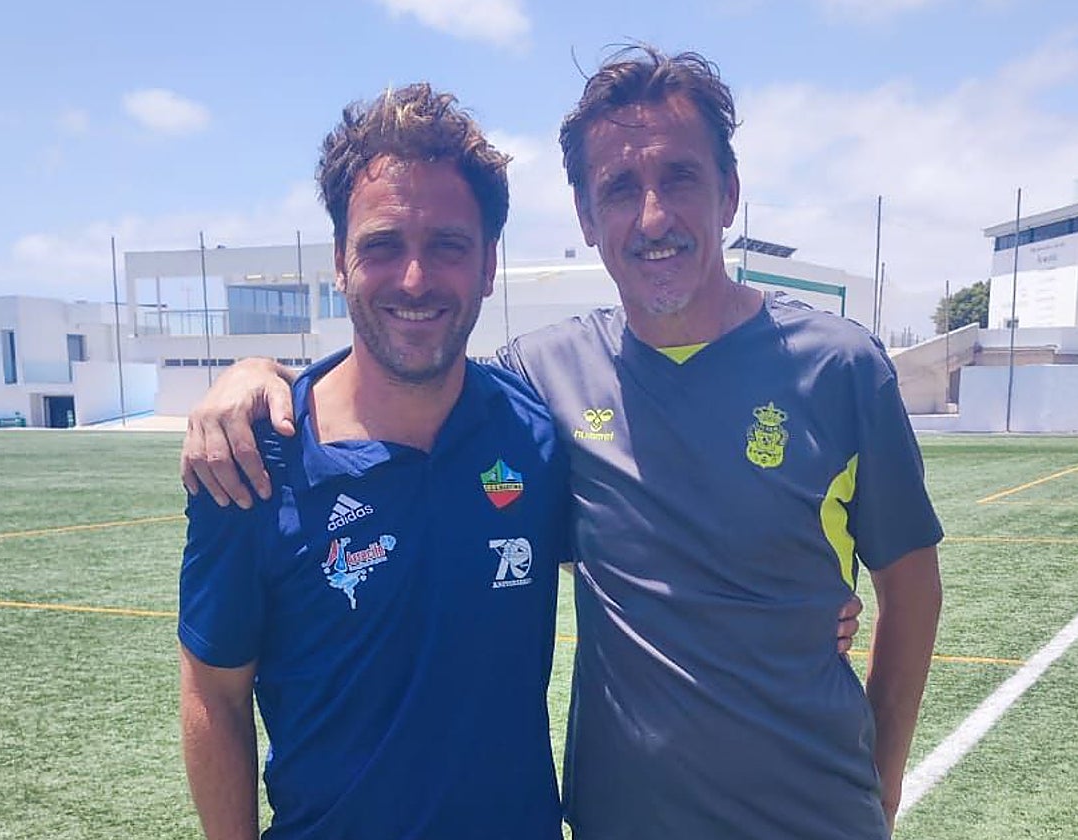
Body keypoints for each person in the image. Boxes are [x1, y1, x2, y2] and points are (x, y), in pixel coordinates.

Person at [182, 47, 939, 840]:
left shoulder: (834, 369)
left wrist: (877, 785)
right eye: (619, 189)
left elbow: (910, 589)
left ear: (730, 194)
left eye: (679, 177)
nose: (652, 218)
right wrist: (250, 371)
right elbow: (212, 691)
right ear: (586, 215)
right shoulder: (522, 389)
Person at [177, 84, 572, 840]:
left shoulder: (536, 434)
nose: (415, 279)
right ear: (339, 261)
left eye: (447, 246)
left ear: (489, 264)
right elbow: (214, 694)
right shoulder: (251, 458)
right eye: (383, 245)